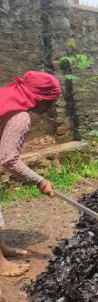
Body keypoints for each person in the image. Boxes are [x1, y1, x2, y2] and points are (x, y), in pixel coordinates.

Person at [0, 70, 60, 277]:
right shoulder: (20, 117)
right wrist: (39, 180)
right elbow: (8, 159)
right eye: (50, 101)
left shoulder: (8, 97)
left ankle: (3, 249)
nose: (51, 107)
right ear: (39, 97)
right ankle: (1, 263)